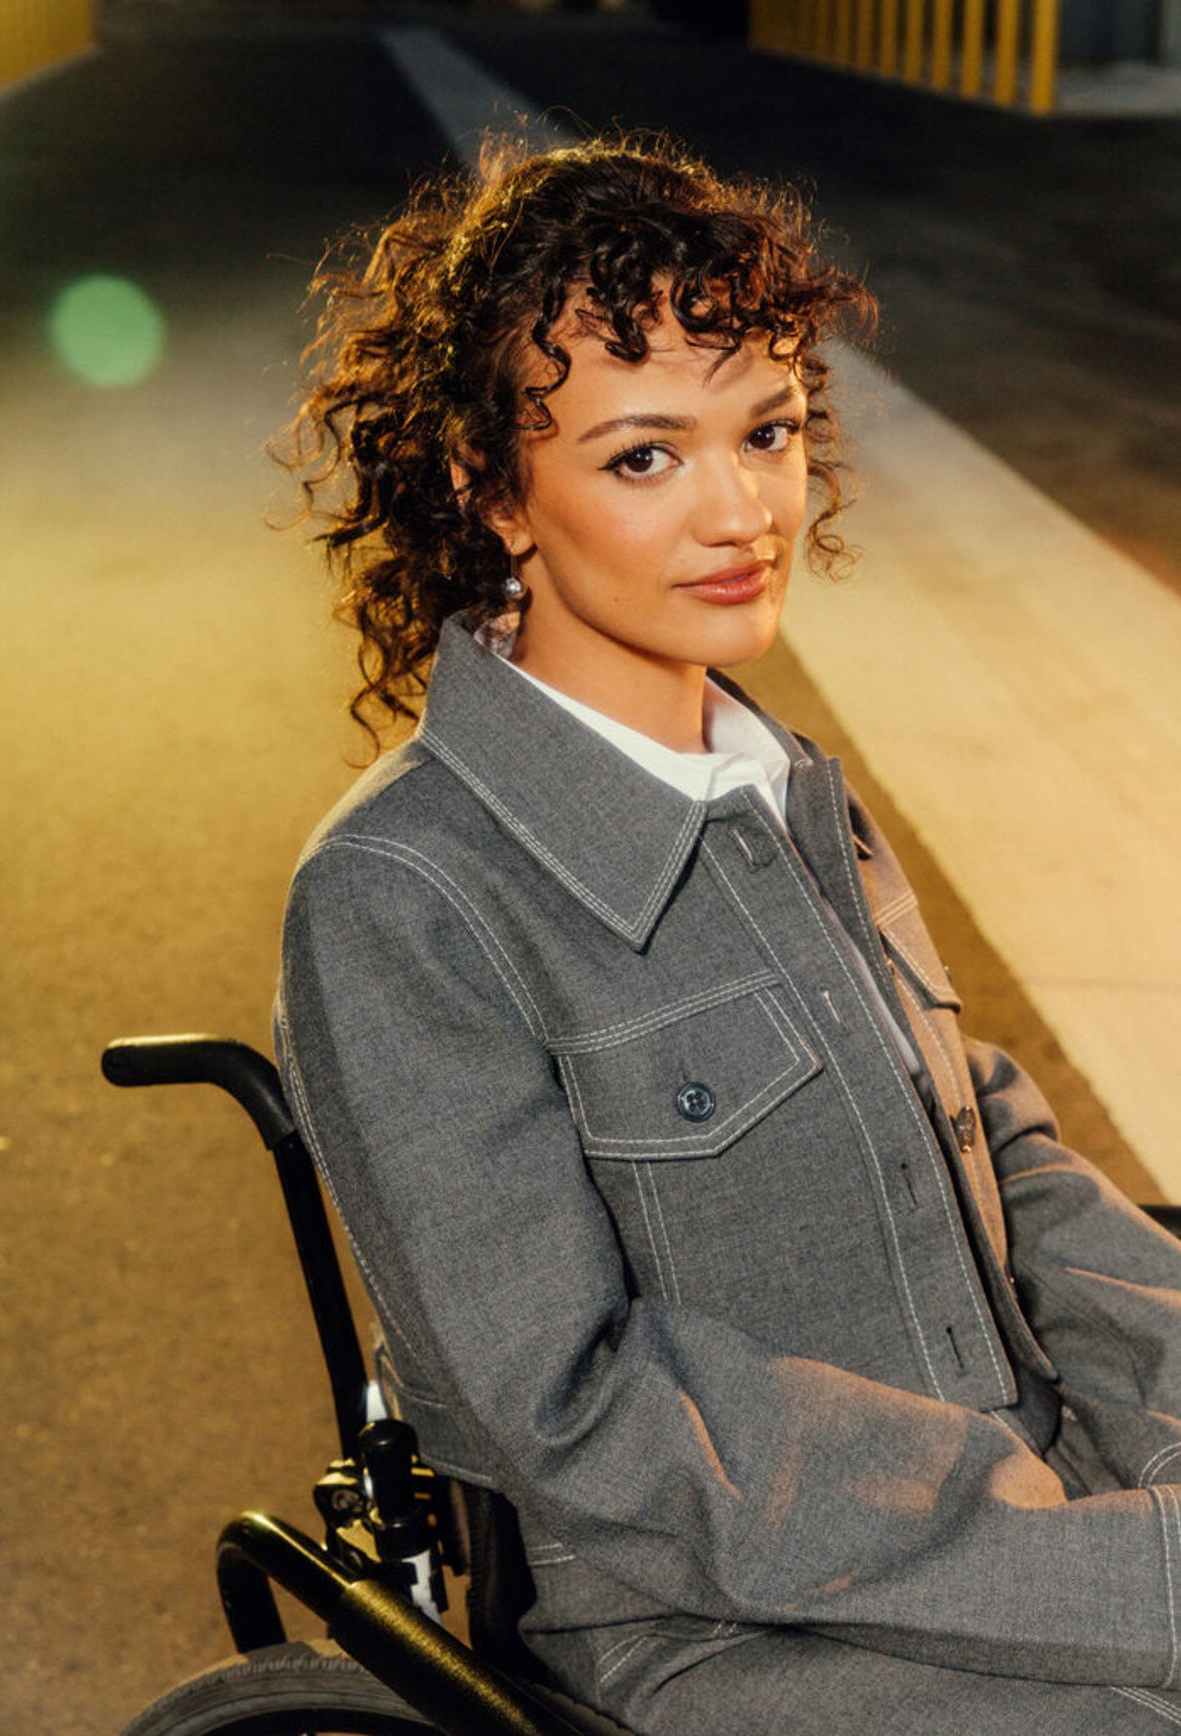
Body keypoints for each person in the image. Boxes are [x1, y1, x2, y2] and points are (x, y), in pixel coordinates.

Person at [274, 135, 1181, 1733]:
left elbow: (990, 1137)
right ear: (494, 492)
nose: (739, 509)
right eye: (644, 457)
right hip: (719, 1625)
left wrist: (1163, 1416)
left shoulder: (780, 784)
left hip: (1040, 1508)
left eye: (763, 432)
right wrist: (1103, 1576)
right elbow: (577, 1424)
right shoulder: (404, 898)